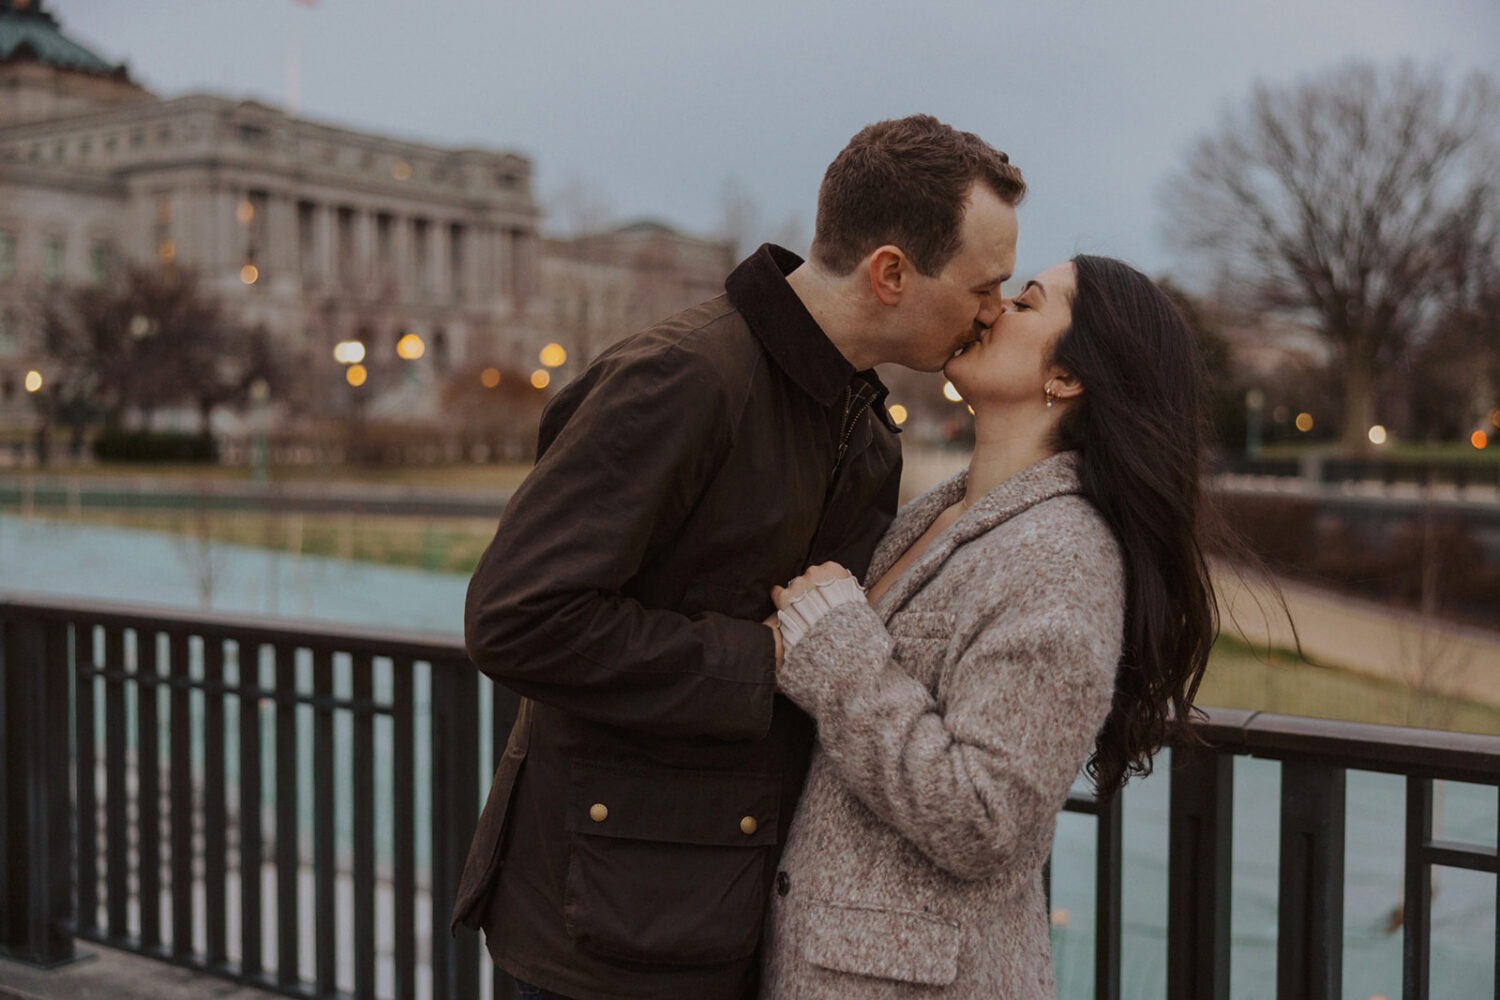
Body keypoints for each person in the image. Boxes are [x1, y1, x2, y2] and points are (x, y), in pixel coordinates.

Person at [450, 114, 1026, 1000]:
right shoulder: (682, 377)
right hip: (602, 935)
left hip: (735, 913)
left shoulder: (865, 430)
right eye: (984, 286)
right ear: (890, 274)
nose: (993, 311)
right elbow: (517, 618)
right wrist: (766, 660)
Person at [761, 255, 1219, 998]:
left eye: (1027, 302)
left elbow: (983, 818)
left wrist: (838, 656)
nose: (992, 309)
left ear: (1067, 376)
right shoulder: (944, 512)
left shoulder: (1062, 556)